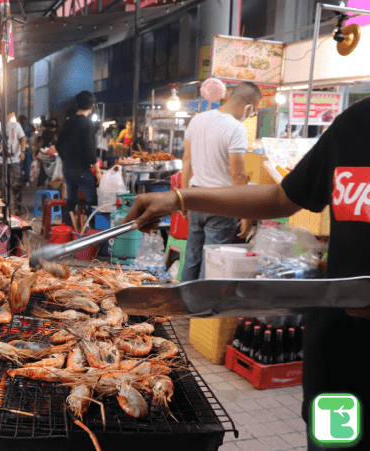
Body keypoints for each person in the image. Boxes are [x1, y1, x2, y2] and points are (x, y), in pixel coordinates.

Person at [122, 96, 370, 451]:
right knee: (333, 445)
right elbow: (281, 197)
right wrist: (180, 198)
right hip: (339, 355)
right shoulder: (355, 124)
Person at [180, 81, 262, 281]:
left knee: (192, 256)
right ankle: (202, 311)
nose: (251, 115)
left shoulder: (197, 120)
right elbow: (238, 175)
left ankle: (180, 308)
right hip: (220, 203)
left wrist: (183, 197)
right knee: (212, 262)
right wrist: (246, 214)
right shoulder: (236, 129)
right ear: (248, 107)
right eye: (253, 111)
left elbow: (186, 161)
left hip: (195, 196)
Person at [56, 91, 102, 230]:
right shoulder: (87, 124)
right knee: (92, 202)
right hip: (82, 170)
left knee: (71, 200)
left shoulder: (68, 121)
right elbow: (90, 149)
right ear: (92, 106)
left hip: (68, 169)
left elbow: (58, 145)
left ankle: (68, 231)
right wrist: (98, 170)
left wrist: (66, 160)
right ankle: (91, 232)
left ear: (77, 104)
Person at [0, 113, 26, 214]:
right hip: (1, 160)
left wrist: (22, 151)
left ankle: (17, 208)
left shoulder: (15, 125)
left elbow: (23, 139)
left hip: (14, 160)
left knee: (16, 185)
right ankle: (4, 208)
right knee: (2, 186)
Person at [19, 115, 33, 186]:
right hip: (27, 149)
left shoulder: (18, 127)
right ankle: (27, 181)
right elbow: (30, 140)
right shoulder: (28, 128)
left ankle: (20, 179)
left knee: (20, 165)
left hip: (19, 149)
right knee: (27, 165)